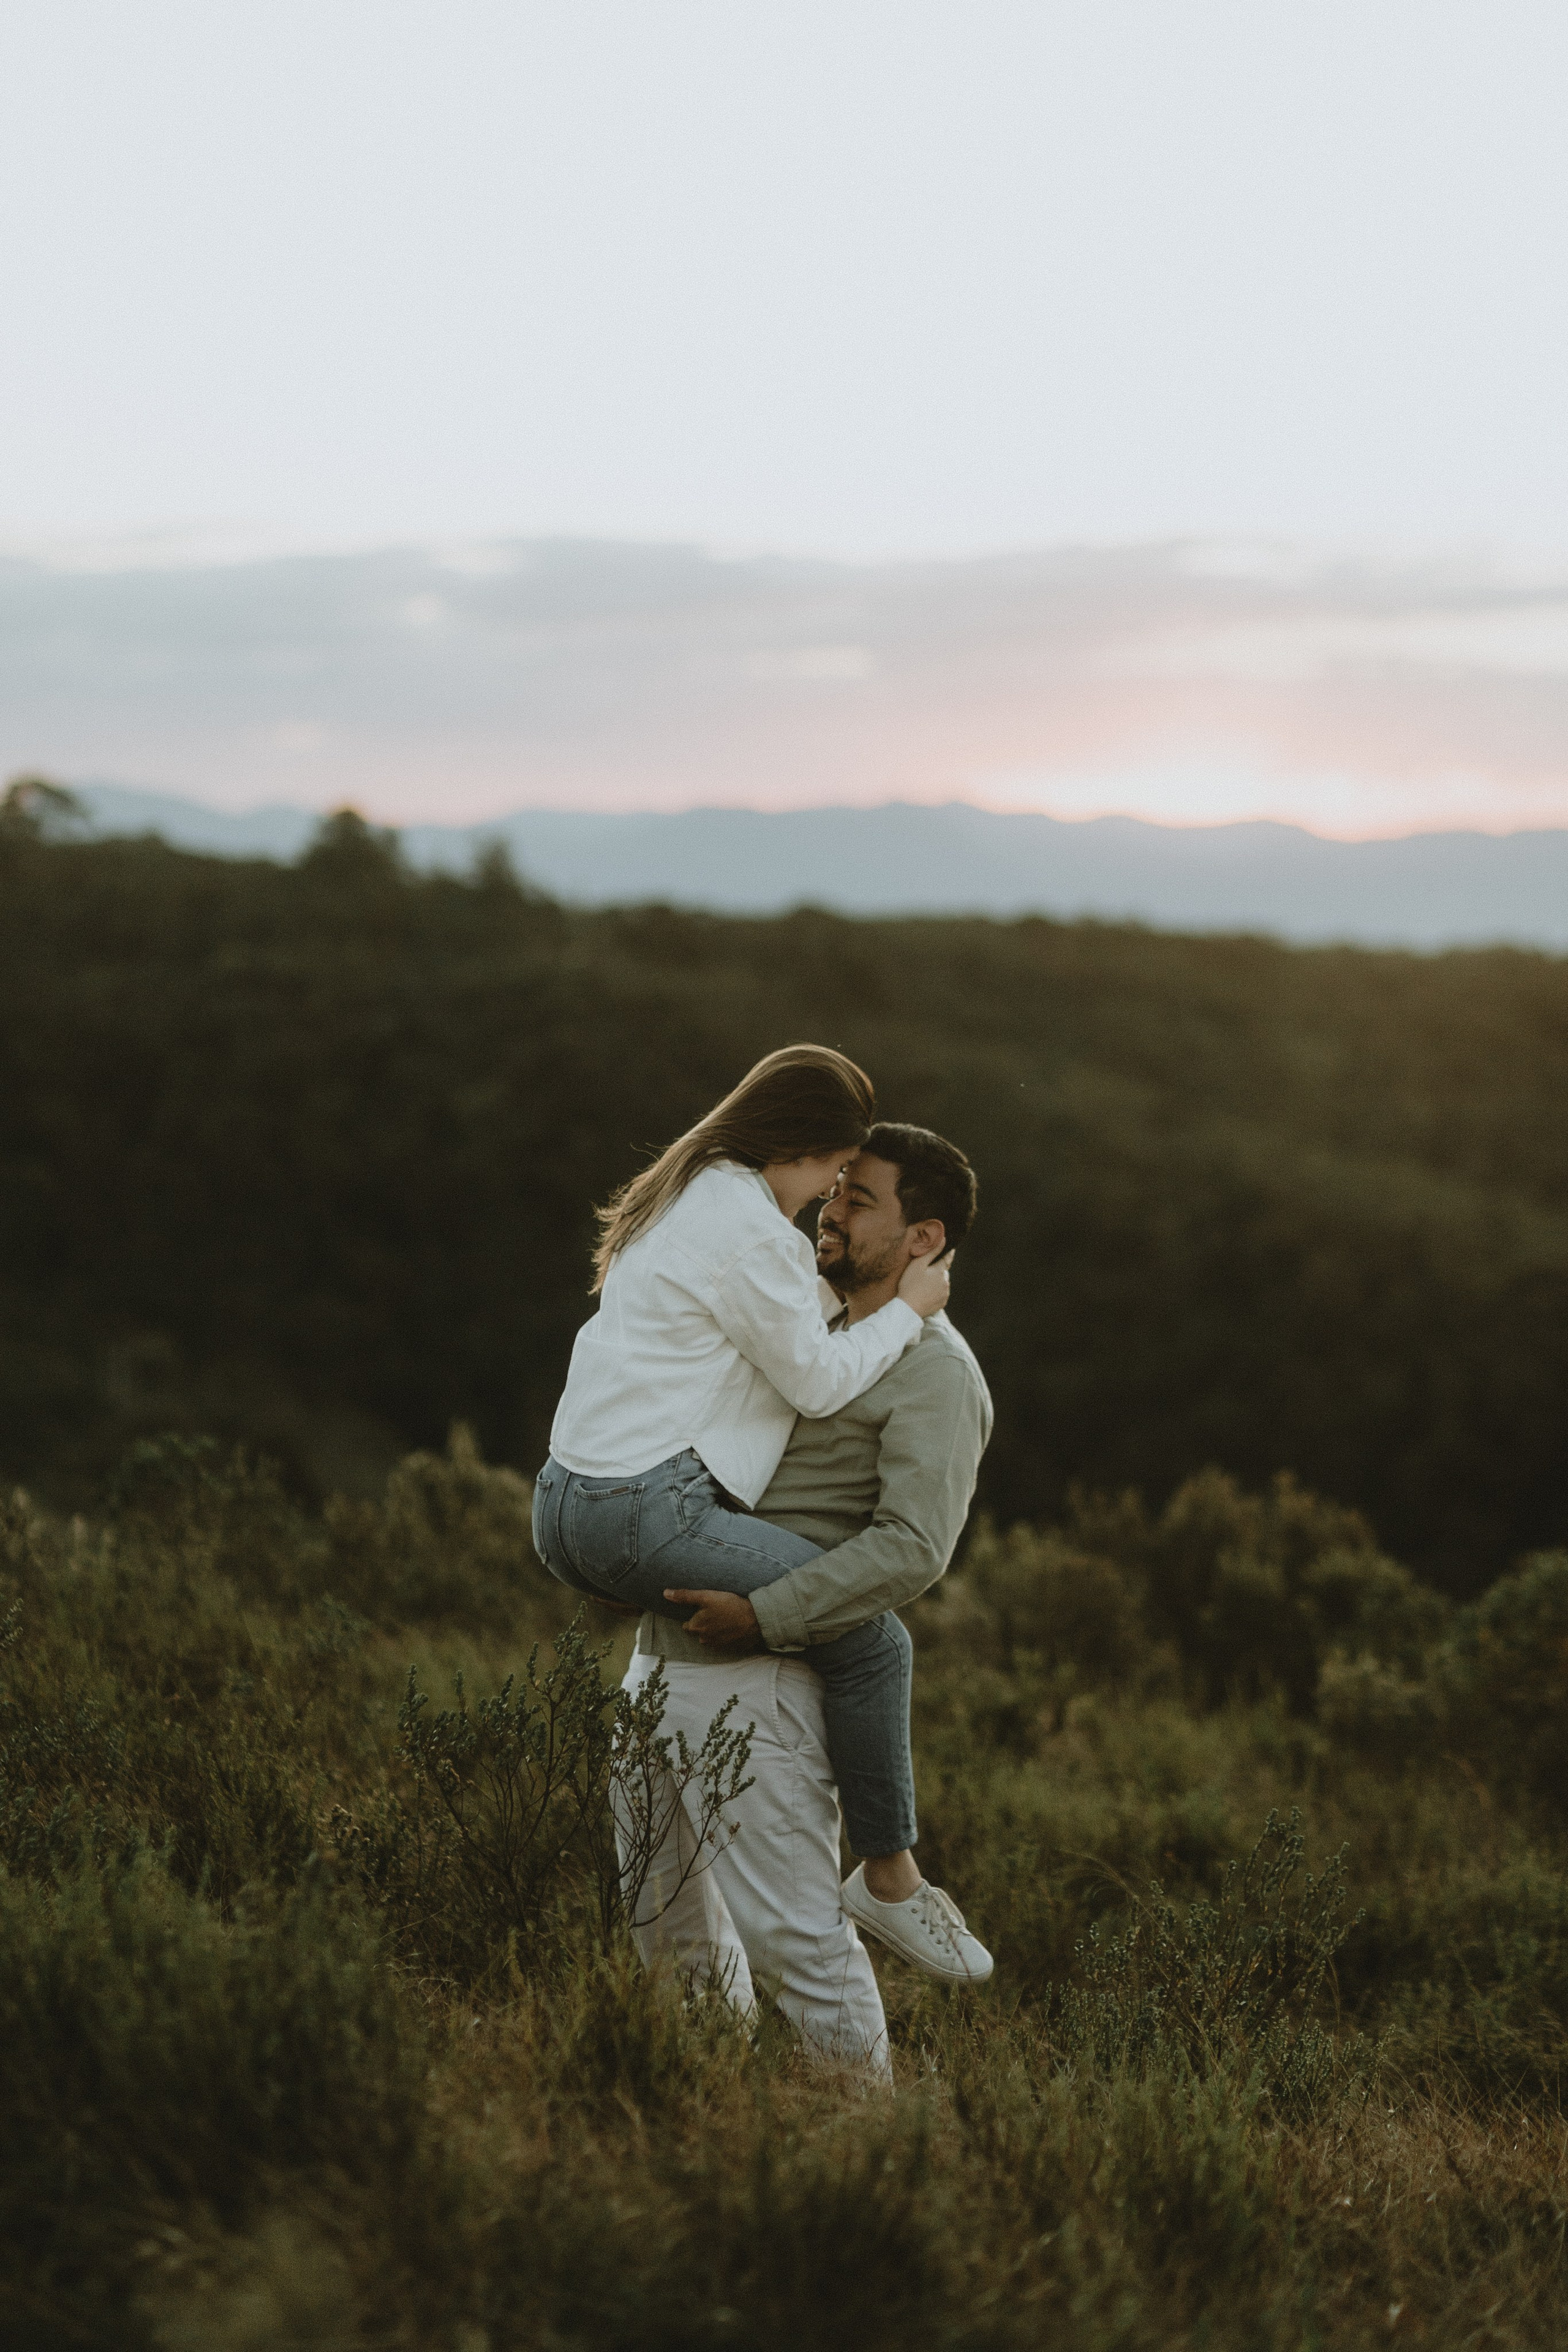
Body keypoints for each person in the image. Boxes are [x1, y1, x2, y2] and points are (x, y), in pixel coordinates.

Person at [530, 1045, 968, 1931]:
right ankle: (890, 1883)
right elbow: (816, 1381)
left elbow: (774, 1324)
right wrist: (910, 1314)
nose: (826, 1196)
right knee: (876, 1644)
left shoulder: (686, 1193)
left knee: (668, 1917)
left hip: (560, 1507)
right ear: (799, 1146)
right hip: (641, 1510)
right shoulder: (755, 1231)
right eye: (832, 1172)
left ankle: (880, 1885)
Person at [616, 1122, 995, 2075]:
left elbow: (913, 1548)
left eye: (861, 1200)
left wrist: (767, 1615)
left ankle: (866, 2166)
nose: (833, 1209)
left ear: (924, 1240)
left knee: (798, 1951)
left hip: (765, 1682)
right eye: (836, 1190)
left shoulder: (938, 1373)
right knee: (665, 1944)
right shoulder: (804, 1323)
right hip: (655, 1670)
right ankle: (705, 2137)